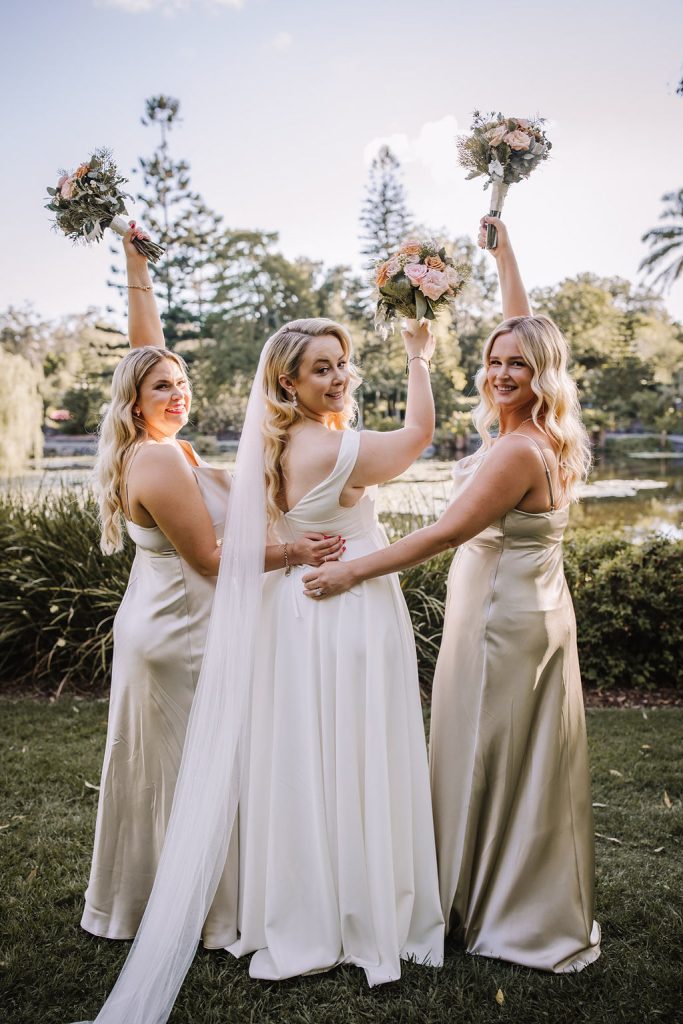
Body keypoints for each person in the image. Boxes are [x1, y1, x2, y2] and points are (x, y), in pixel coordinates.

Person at [303, 217, 601, 973]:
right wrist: (506, 258)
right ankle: (500, 891)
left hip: (501, 622)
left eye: (518, 367)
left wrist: (349, 571)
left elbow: (440, 536)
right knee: (516, 759)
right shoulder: (545, 433)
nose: (501, 373)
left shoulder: (513, 452)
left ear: (544, 375)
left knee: (482, 753)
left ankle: (488, 904)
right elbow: (523, 328)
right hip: (531, 612)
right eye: (496, 361)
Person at [82, 226, 342, 948]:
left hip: (169, 624)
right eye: (162, 387)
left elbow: (149, 351)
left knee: (179, 768)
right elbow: (209, 559)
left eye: (182, 382)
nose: (179, 392)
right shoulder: (157, 461)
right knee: (184, 771)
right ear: (135, 401)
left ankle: (149, 903)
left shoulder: (166, 445)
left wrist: (137, 270)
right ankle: (193, 910)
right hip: (178, 632)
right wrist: (295, 551)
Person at [227, 317, 445, 983]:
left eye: (340, 363)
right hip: (348, 606)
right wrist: (418, 356)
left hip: (296, 608)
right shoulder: (328, 447)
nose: (339, 377)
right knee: (357, 749)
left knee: (308, 755)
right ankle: (362, 907)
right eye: (320, 368)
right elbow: (417, 438)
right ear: (286, 382)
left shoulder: (278, 445)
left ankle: (307, 902)